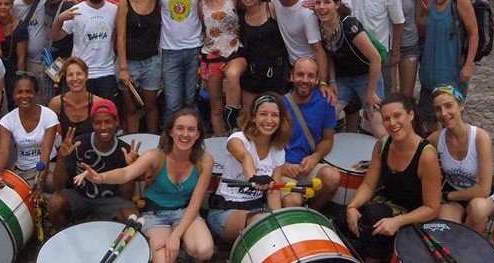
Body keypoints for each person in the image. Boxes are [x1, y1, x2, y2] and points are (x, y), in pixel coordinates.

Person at [74, 109, 215, 263]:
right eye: (180, 128)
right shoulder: (156, 155)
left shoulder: (205, 160)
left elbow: (195, 204)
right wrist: (100, 177)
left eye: (191, 129)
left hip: (185, 211)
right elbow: (126, 173)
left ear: (198, 134)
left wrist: (176, 236)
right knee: (163, 261)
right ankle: (176, 246)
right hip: (154, 214)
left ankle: (183, 245)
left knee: (204, 250)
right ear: (170, 132)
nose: (185, 134)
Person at [345, 95, 442, 262]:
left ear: (410, 115)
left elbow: (432, 208)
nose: (392, 123)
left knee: (373, 220)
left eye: (397, 116)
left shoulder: (426, 156)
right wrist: (352, 207)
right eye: (386, 119)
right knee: (344, 220)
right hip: (384, 206)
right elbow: (369, 184)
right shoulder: (383, 144)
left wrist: (397, 221)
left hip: (412, 215)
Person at [207, 93, 288, 241]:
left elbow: (273, 193)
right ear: (253, 117)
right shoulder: (237, 139)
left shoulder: (278, 151)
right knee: (260, 221)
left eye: (275, 115)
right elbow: (245, 157)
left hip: (257, 210)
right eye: (263, 114)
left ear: (281, 119)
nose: (269, 120)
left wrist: (280, 225)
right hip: (225, 211)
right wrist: (254, 178)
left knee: (280, 223)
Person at [49, 99, 138, 229]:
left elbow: (126, 196)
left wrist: (131, 168)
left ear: (116, 122)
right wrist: (62, 158)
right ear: (92, 124)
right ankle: (63, 239)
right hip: (80, 196)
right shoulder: (78, 144)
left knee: (132, 217)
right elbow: (58, 184)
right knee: (55, 203)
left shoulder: (125, 151)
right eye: (98, 122)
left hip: (111, 200)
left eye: (108, 122)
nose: (103, 127)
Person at [314, 0, 386, 139]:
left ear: (337, 5)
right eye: (318, 2)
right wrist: (332, 81)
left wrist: (371, 92)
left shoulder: (348, 25)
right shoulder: (321, 25)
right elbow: (331, 56)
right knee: (325, 114)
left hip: (366, 78)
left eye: (327, 2)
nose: (321, 7)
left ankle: (389, 158)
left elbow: (375, 58)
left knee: (377, 124)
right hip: (344, 80)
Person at [419, 0, 478, 134]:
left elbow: (474, 33)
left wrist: (468, 65)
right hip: (430, 71)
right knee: (429, 118)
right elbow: (422, 22)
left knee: (450, 120)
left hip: (452, 72)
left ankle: (454, 156)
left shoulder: (460, 0)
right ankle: (435, 155)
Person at [427, 85, 494, 235]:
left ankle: (472, 242)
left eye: (449, 106)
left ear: (461, 105)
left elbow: (484, 189)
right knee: (446, 231)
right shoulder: (437, 138)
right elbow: (416, 152)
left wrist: (448, 196)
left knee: (478, 210)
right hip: (453, 197)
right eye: (438, 109)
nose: (444, 113)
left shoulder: (480, 138)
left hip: (479, 196)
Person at [278, 57, 342, 208]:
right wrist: (281, 165)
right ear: (291, 76)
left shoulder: (325, 102)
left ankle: (311, 212)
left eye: (310, 76)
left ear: (317, 79)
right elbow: (264, 144)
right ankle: (298, 211)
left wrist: (315, 157)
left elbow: (328, 139)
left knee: (332, 177)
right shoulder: (278, 104)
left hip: (308, 166)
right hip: (284, 168)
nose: (305, 80)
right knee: (292, 200)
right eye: (300, 74)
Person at [345, 0, 405, 99]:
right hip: (353, 54)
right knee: (358, 101)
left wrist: (395, 53)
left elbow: (398, 21)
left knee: (380, 100)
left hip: (379, 53)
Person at [194, 0, 246, 135]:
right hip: (211, 56)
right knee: (215, 106)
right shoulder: (200, 4)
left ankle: (233, 120)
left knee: (232, 75)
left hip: (234, 51)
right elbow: (204, 28)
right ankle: (220, 139)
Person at [157, 0, 205, 126]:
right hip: (170, 51)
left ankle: (194, 141)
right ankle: (169, 143)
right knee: (172, 103)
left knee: (191, 101)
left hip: (195, 50)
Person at [51, 0, 119, 101]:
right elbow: (55, 37)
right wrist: (59, 19)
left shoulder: (114, 10)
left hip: (107, 74)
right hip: (81, 75)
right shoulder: (76, 10)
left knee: (106, 115)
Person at [270, 0, 331, 102]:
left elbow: (319, 51)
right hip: (292, 69)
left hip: (310, 72)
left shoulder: (306, 12)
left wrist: (322, 82)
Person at [116, 0, 163, 134]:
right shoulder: (124, 3)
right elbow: (120, 37)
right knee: (131, 109)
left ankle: (153, 143)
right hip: (129, 64)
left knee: (151, 106)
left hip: (152, 62)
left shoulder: (158, 2)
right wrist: (123, 68)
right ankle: (133, 147)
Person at [0, 74, 59, 192]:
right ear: (13, 95)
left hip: (48, 166)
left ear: (36, 94)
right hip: (22, 169)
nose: (24, 96)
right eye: (19, 92)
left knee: (51, 182)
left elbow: (45, 152)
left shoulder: (49, 116)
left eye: (29, 91)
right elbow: (3, 152)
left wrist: (40, 180)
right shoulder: (6, 120)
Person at [236, 0, 289, 111]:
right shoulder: (241, 18)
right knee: (249, 114)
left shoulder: (271, 8)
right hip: (253, 73)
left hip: (276, 71)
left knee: (277, 112)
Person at [386, 0, 426, 99]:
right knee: (389, 93)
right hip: (386, 46)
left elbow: (419, 18)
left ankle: (410, 122)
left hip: (409, 45)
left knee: (406, 95)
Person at [48, 58, 103, 140]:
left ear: (86, 75)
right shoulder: (56, 103)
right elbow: (49, 135)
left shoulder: (99, 103)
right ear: (65, 78)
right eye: (70, 75)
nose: (75, 78)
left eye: (79, 74)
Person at [0, 0, 28, 110]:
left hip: (12, 71)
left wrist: (20, 81)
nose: (3, 7)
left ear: (11, 6)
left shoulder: (19, 27)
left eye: (6, 4)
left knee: (13, 105)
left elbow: (21, 58)